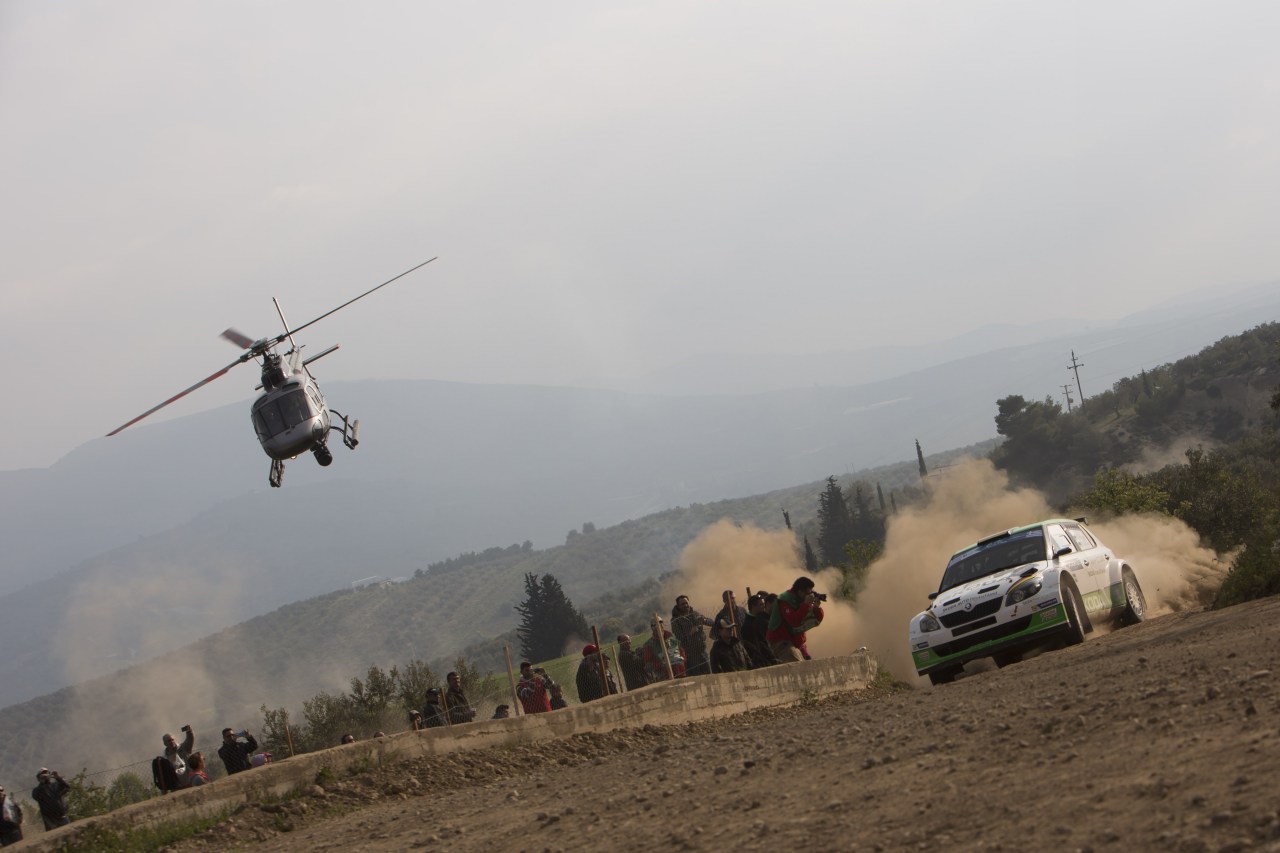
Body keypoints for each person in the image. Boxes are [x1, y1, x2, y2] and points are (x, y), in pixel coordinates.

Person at [766, 576, 826, 662]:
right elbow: (794, 621)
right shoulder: (785, 600)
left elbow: (817, 619)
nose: (810, 595)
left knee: (805, 666)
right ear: (800, 591)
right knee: (796, 666)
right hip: (780, 641)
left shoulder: (801, 598)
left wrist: (816, 607)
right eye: (807, 593)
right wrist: (805, 604)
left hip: (795, 641)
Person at [670, 595, 715, 676]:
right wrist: (691, 633)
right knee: (696, 679)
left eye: (686, 603)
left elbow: (712, 622)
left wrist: (704, 620)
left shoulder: (695, 614)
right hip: (690, 656)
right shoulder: (675, 621)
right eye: (682, 604)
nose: (685, 605)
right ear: (678, 606)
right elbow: (680, 640)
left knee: (709, 677)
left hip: (702, 652)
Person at [742, 592, 779, 668]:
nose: (764, 606)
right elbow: (757, 645)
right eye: (761, 605)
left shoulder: (761, 619)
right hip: (759, 662)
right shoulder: (748, 625)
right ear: (753, 607)